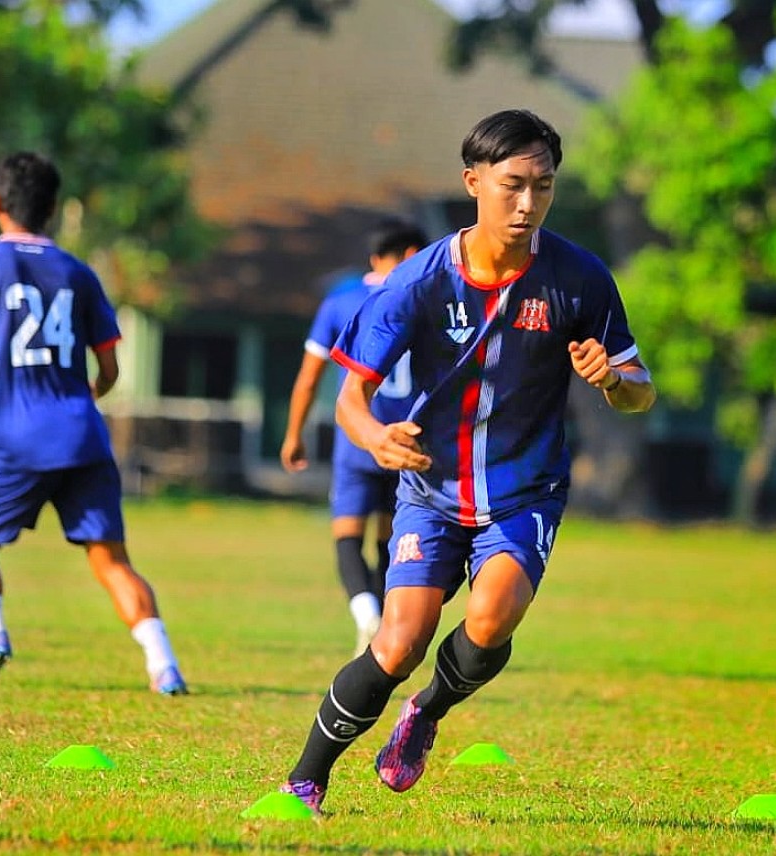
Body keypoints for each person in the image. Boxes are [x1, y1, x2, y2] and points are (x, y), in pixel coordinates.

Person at [278, 109, 656, 814]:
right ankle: (307, 778)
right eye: (513, 184)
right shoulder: (416, 283)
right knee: (396, 643)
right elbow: (351, 401)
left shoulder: (580, 278)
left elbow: (641, 394)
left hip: (525, 490)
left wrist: (612, 381)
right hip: (432, 490)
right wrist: (374, 439)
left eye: (543, 186)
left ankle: (426, 712)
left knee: (489, 621)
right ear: (473, 181)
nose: (527, 202)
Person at [0, 151, 188, 695]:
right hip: (84, 437)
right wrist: (84, 396)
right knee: (112, 561)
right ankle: (163, 665)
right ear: (53, 208)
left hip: (19, 442)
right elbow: (109, 368)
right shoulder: (79, 274)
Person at [279, 219, 429, 656]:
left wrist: (294, 434)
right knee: (390, 540)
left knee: (347, 536)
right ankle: (383, 625)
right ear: (407, 255)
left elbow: (309, 379)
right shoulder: (423, 298)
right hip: (407, 441)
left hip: (357, 440)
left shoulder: (341, 302)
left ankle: (368, 618)